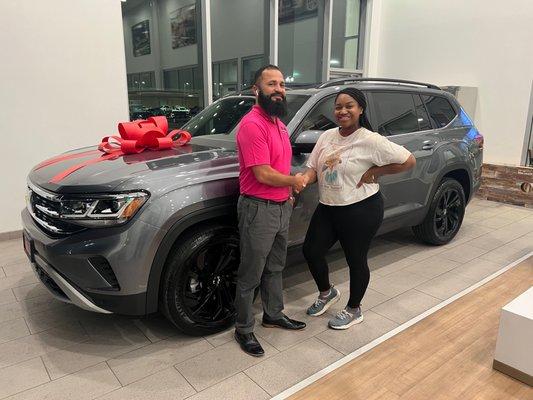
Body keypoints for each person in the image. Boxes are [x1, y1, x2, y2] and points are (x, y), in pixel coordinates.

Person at [299, 87, 416, 330]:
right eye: (338, 107)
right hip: (329, 206)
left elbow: (408, 160)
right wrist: (301, 180)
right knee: (311, 250)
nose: (342, 111)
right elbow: (313, 168)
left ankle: (354, 309)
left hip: (360, 209)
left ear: (360, 109)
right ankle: (327, 293)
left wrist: (376, 171)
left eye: (349, 106)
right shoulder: (327, 136)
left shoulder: (370, 140)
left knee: (355, 259)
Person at [234, 65, 307, 357]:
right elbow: (263, 174)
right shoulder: (253, 125)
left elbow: (280, 166)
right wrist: (295, 181)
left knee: (276, 267)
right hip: (258, 209)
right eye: (271, 84)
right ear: (257, 90)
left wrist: (288, 192)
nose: (279, 89)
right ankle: (243, 328)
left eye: (281, 84)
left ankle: (273, 315)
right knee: (250, 272)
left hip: (280, 207)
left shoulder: (278, 124)